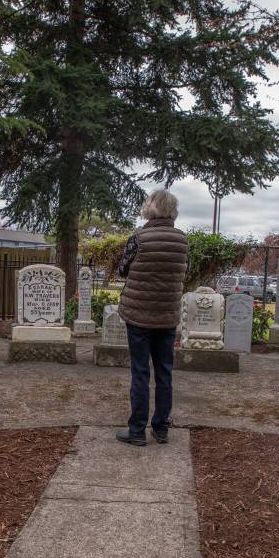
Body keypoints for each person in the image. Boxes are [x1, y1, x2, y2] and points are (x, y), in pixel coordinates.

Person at [115, 189, 189, 446]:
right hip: (167, 315)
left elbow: (123, 269)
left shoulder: (139, 237)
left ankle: (136, 431)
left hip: (138, 315)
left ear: (151, 209)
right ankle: (161, 428)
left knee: (140, 373)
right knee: (165, 373)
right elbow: (183, 271)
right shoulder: (182, 240)